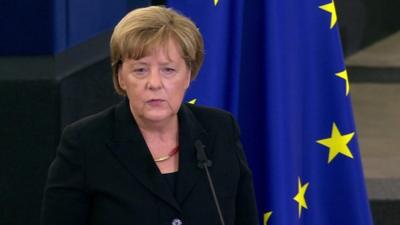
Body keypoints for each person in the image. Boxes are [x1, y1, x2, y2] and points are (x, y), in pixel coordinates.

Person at [40, 5, 259, 225]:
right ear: (121, 77)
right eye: (140, 70)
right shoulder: (85, 143)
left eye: (168, 70)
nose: (154, 83)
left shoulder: (220, 130)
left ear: (188, 75)